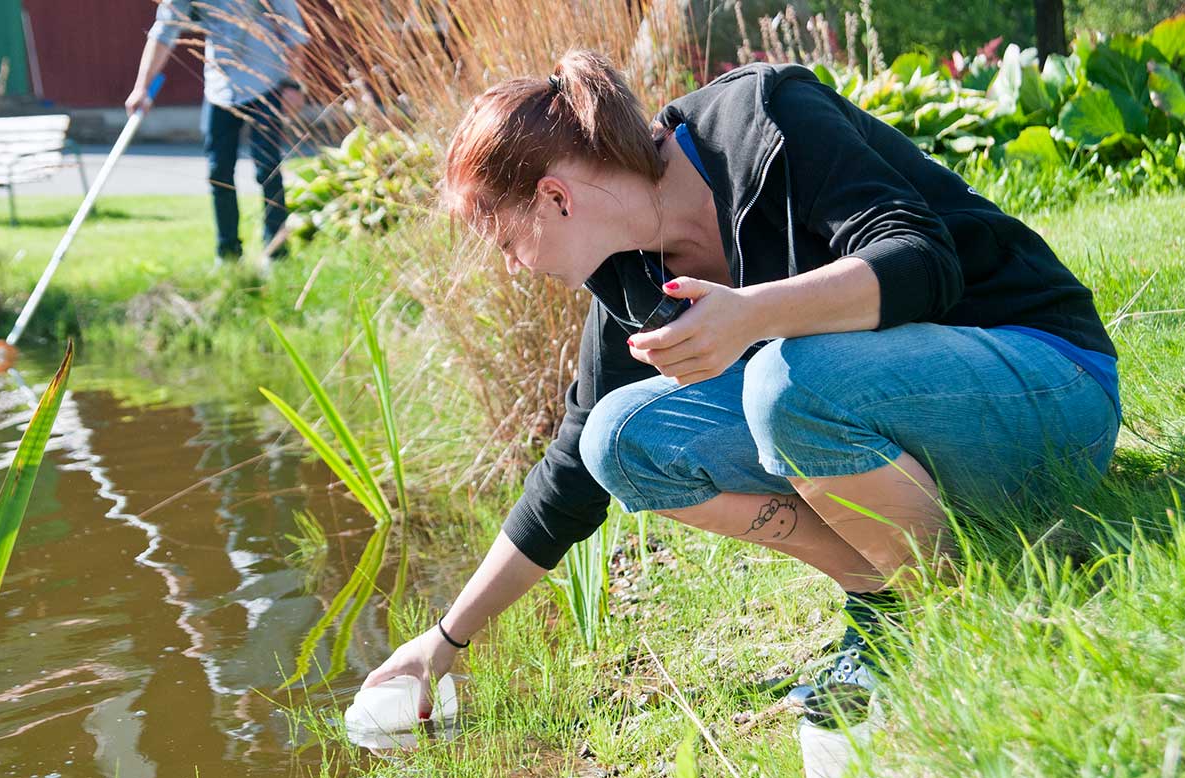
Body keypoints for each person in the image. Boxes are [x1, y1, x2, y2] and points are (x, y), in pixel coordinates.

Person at [361, 50, 1121, 719]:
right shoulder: (629, 270)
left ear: (558, 198)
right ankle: (888, 603)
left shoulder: (765, 119)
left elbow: (925, 261)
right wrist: (446, 637)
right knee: (617, 440)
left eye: (506, 241)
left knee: (783, 384)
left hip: (1048, 387)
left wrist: (752, 315)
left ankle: (960, 619)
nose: (513, 266)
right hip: (922, 436)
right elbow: (571, 474)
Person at [127, 0, 309, 266]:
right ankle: (228, 254)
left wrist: (294, 83)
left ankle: (277, 252)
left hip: (267, 82)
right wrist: (141, 87)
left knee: (267, 168)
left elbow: (293, 31)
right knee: (218, 172)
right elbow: (163, 33)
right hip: (220, 87)